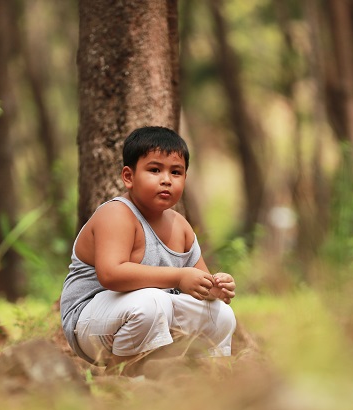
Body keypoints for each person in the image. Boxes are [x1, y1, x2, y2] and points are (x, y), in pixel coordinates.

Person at [60, 126, 236, 370]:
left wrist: (215, 288)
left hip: (149, 314)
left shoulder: (180, 226)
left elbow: (198, 282)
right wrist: (179, 276)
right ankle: (125, 378)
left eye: (176, 172)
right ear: (128, 177)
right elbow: (111, 274)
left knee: (221, 315)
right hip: (89, 323)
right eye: (154, 170)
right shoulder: (117, 214)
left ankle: (205, 382)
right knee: (152, 303)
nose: (166, 179)